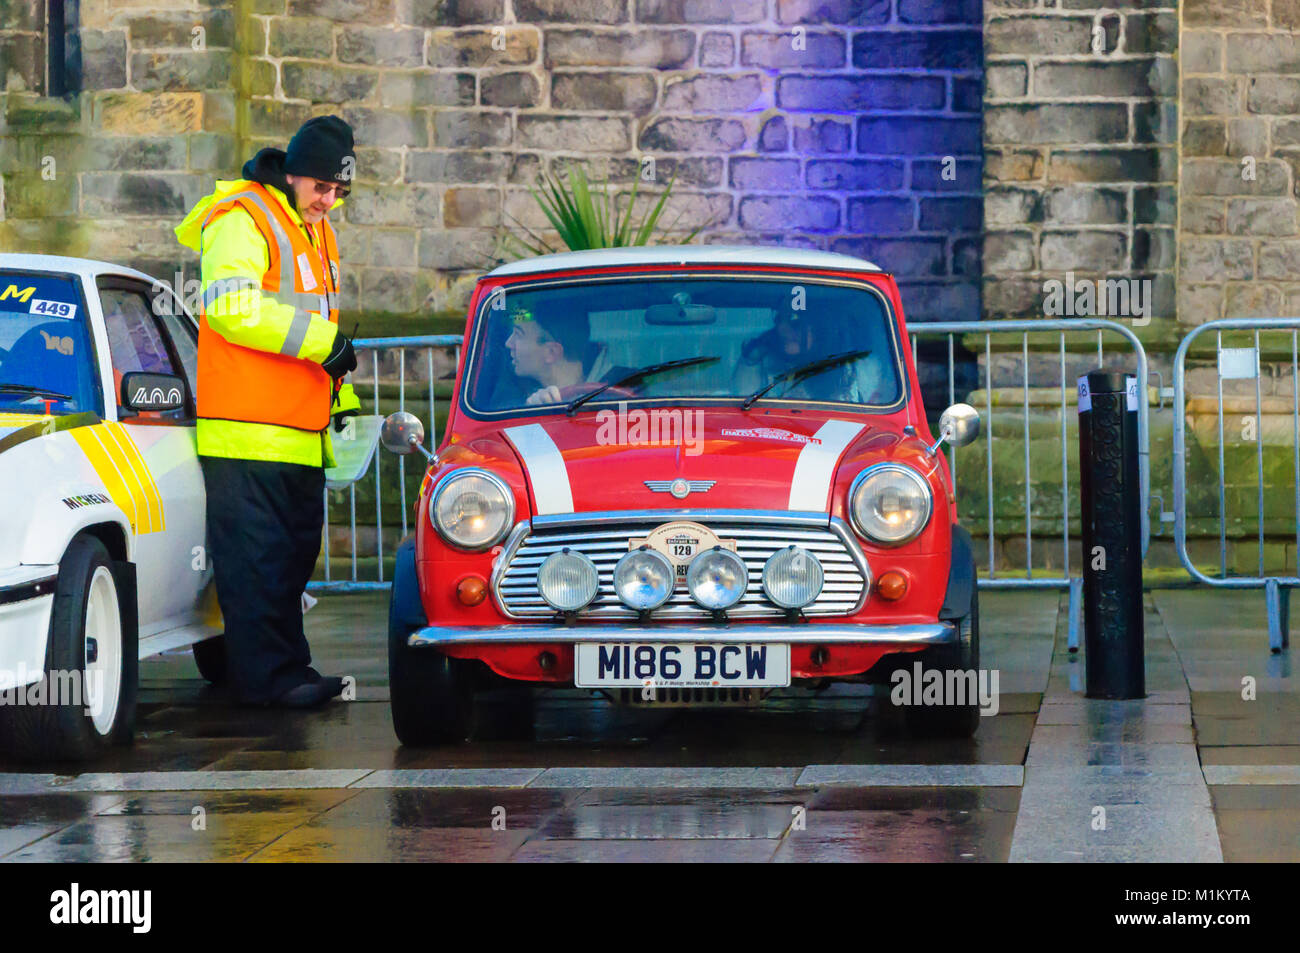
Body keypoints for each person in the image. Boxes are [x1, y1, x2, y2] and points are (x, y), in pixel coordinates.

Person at [173, 115, 362, 709]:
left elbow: (322, 328)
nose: (329, 201)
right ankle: (268, 684)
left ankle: (288, 670)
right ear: (295, 173)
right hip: (247, 434)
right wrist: (320, 344)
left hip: (298, 433)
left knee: (288, 564)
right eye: (321, 188)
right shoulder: (242, 215)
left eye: (339, 192)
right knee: (256, 567)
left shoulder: (314, 230)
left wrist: (347, 400)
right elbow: (231, 309)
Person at [735, 300, 887, 404]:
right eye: (779, 320)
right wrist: (753, 356)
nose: (781, 329)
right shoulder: (764, 363)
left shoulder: (861, 368)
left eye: (794, 321)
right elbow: (744, 404)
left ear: (820, 326)